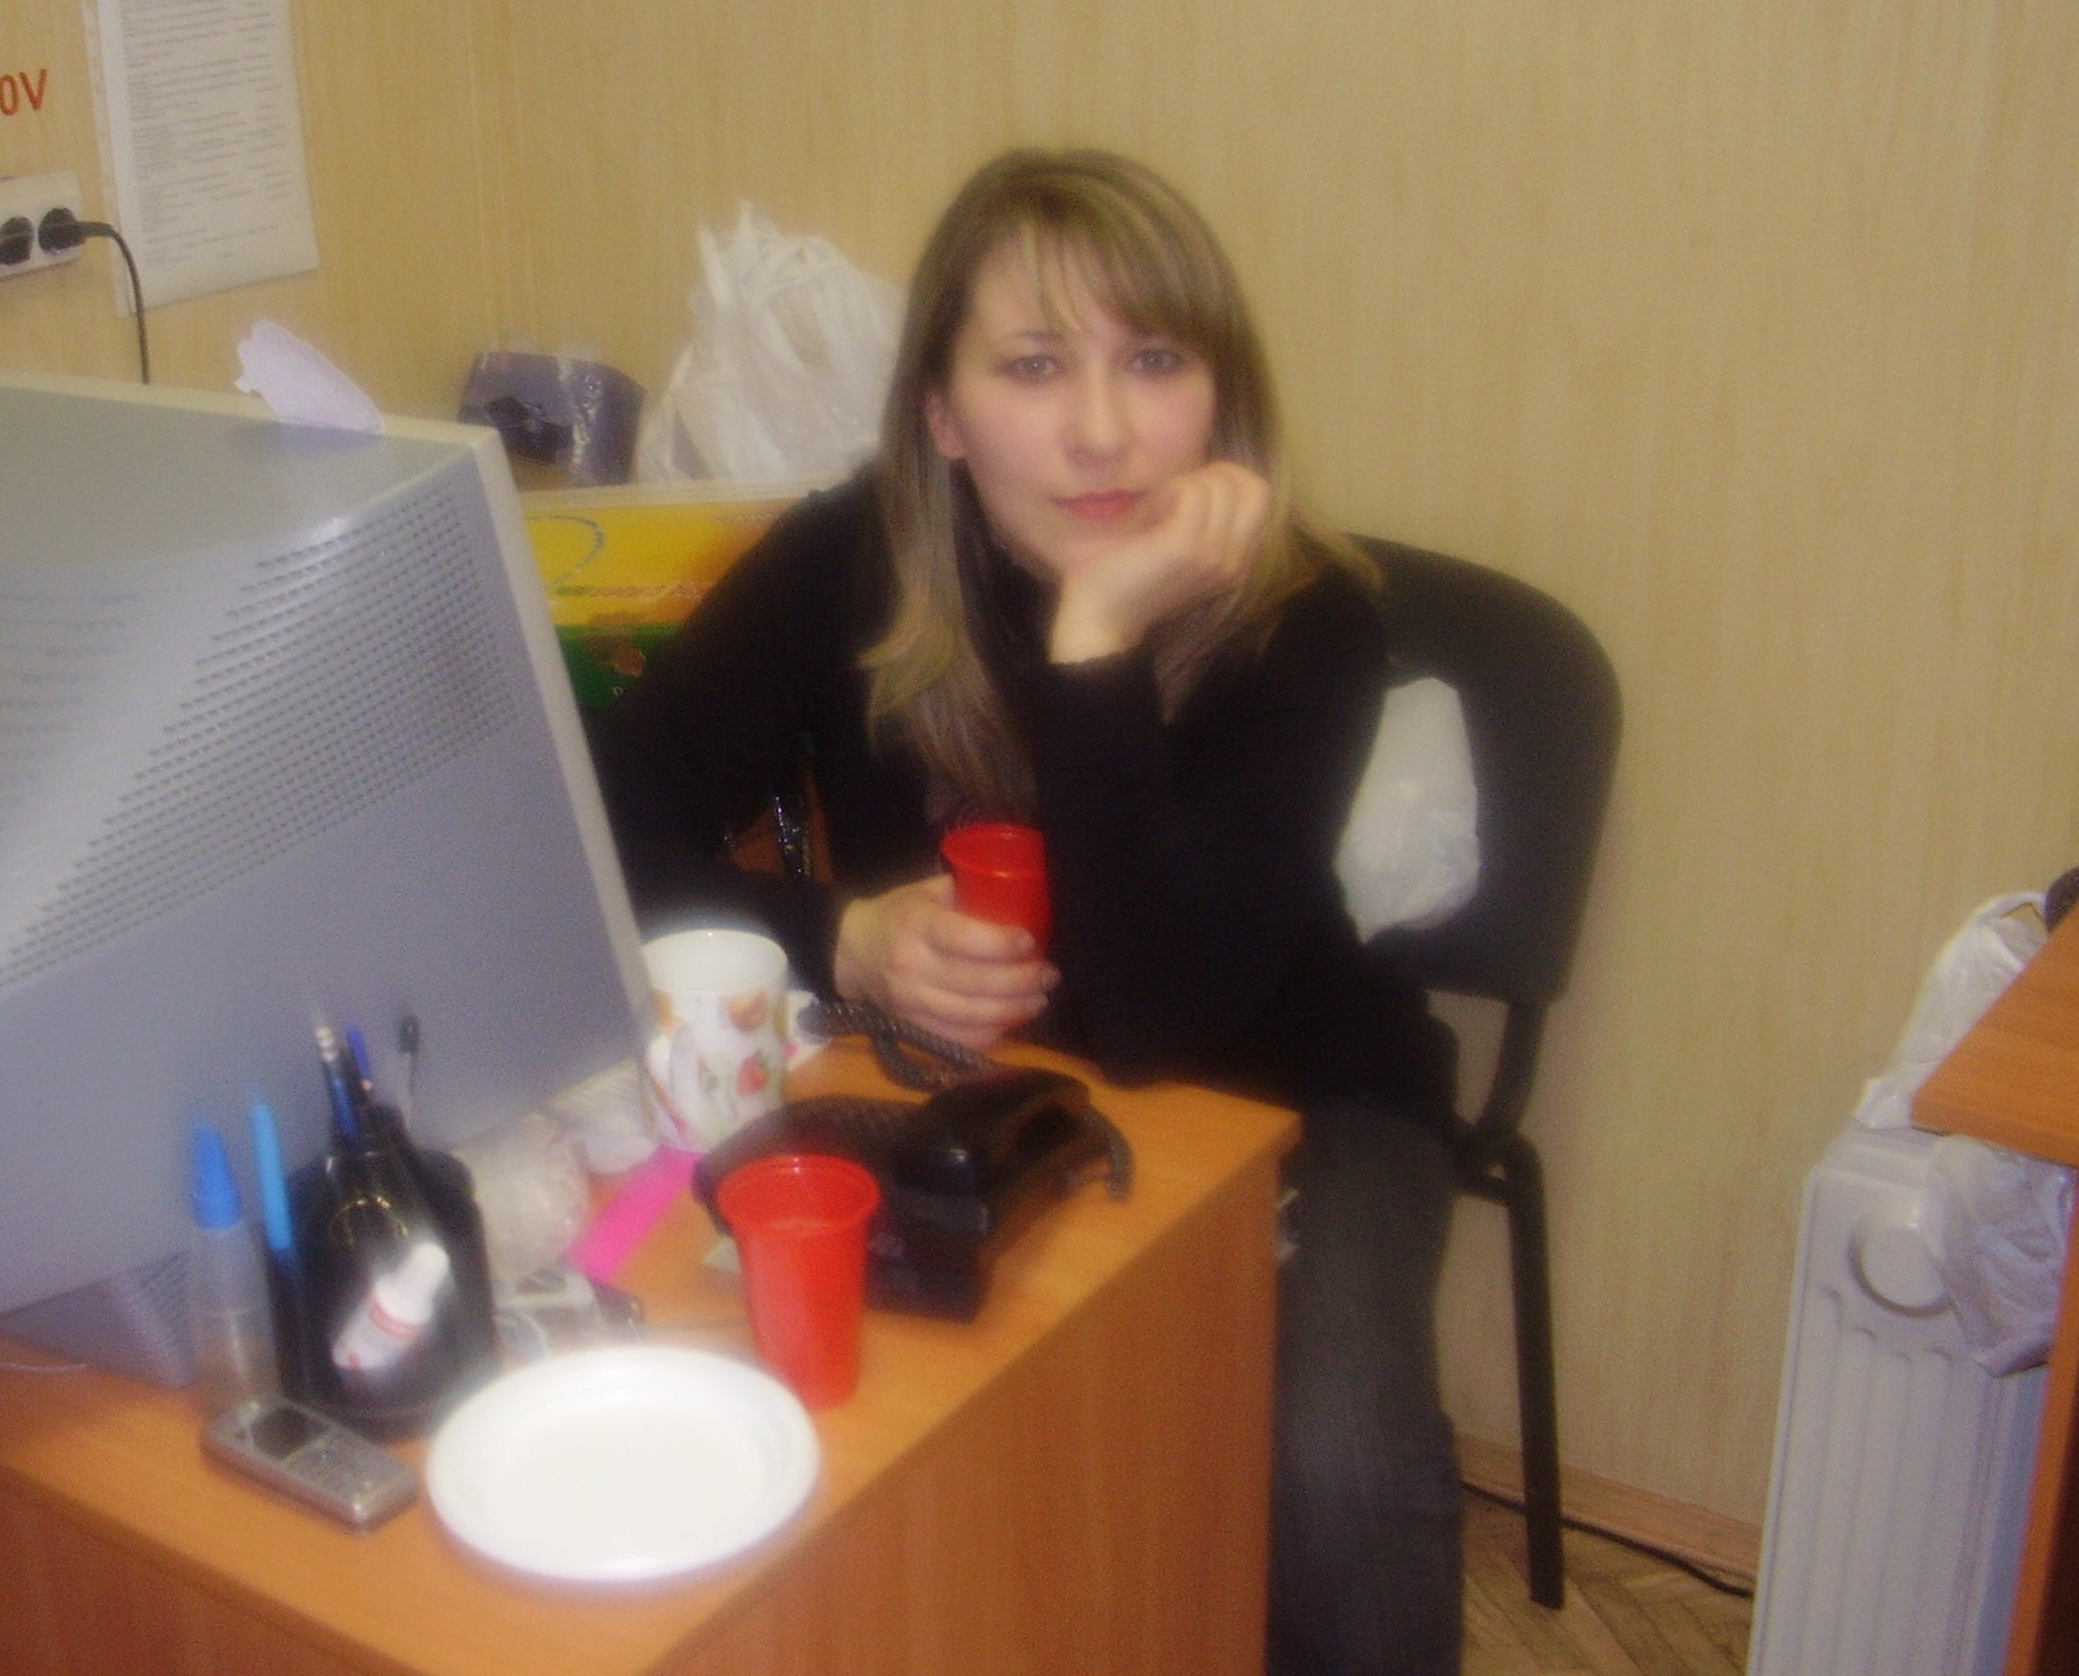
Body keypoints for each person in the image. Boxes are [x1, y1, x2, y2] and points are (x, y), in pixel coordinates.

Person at [594, 148, 1463, 1676]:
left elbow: (1149, 1022)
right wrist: (844, 937)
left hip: (1300, 1092)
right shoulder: (852, 559)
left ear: (1222, 394)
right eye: (1035, 365)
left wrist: (1095, 637)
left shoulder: (1306, 617)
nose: (1103, 429)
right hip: (958, 1078)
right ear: (942, 411)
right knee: (867, 1419)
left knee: (1334, 1464)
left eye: (1155, 360)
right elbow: (603, 819)